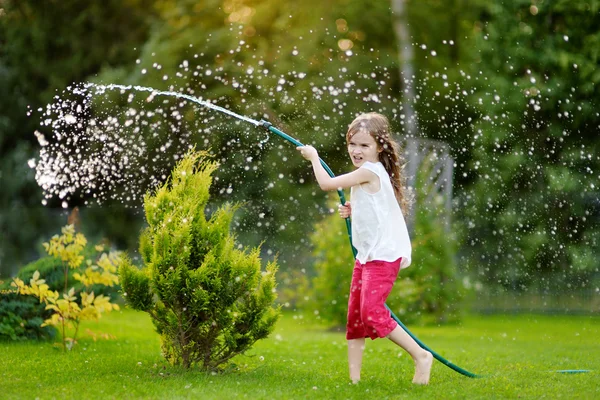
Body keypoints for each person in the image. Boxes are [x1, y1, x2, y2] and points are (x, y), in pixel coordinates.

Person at [296, 112, 433, 385]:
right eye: (352, 144)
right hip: (367, 255)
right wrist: (352, 210)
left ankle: (421, 356)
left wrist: (313, 157)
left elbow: (326, 184)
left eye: (364, 145)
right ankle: (354, 382)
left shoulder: (369, 171)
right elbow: (375, 208)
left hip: (383, 256)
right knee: (356, 318)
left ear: (379, 147)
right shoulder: (370, 174)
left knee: (371, 312)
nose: (356, 151)